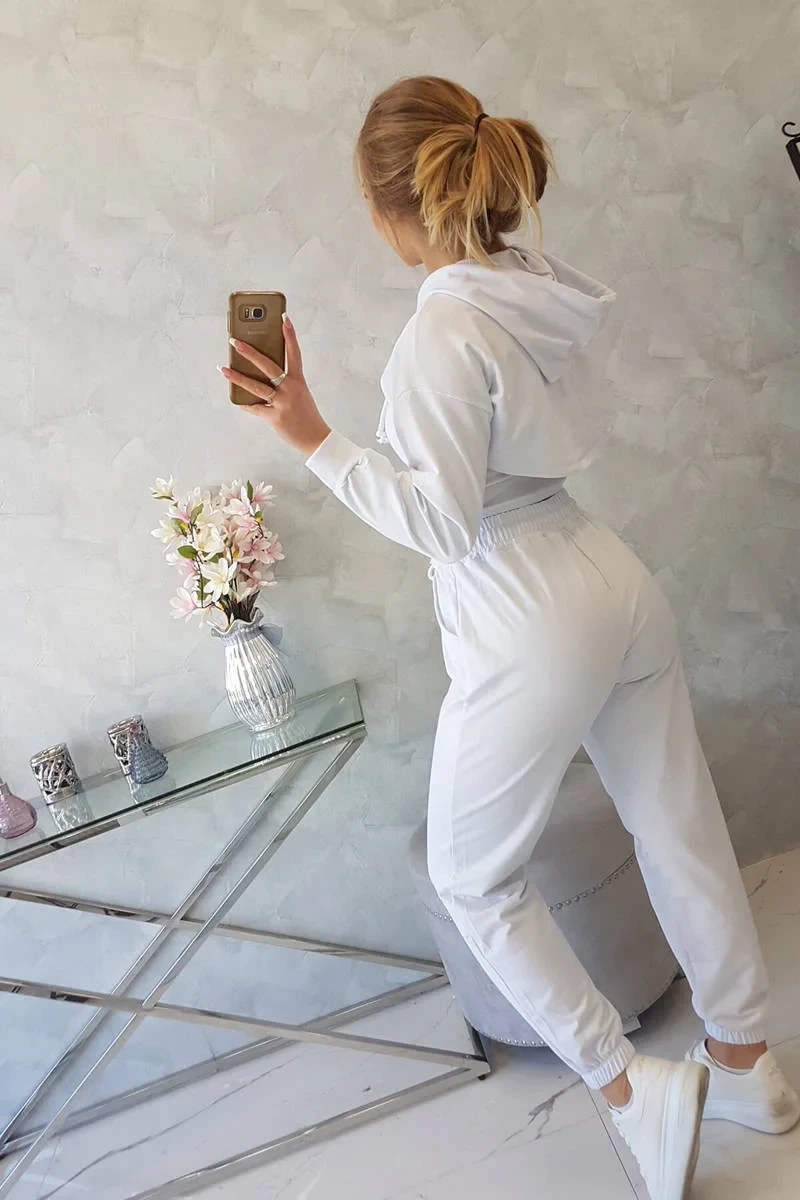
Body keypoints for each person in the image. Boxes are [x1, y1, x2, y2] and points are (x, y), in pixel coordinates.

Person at [220, 76, 799, 1200]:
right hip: (605, 568)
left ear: (384, 207)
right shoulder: (533, 286)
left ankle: (626, 1087)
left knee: (470, 877)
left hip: (522, 599)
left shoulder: (442, 327)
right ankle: (745, 1062)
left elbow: (443, 524)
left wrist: (312, 437)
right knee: (674, 821)